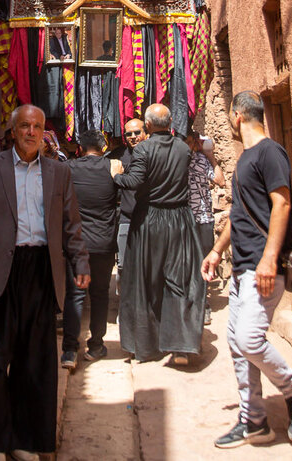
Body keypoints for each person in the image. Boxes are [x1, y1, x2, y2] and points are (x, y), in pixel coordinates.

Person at [0, 104, 90, 456]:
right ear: (13, 131)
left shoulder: (59, 172)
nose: (31, 132)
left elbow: (71, 223)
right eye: (24, 126)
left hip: (40, 270)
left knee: (34, 360)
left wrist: (80, 261)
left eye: (37, 127)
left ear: (44, 133)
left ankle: (25, 440)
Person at [201, 92, 292, 449]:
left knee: (249, 339)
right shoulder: (246, 158)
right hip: (242, 267)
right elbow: (240, 213)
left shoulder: (270, 152)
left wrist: (268, 259)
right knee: (237, 344)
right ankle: (254, 420)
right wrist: (217, 251)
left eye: (230, 117)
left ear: (236, 116)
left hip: (263, 267)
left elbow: (282, 204)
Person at [113, 104, 205, 363]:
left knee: (146, 281)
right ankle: (180, 346)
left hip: (150, 220)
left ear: (148, 126)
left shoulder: (143, 149)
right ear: (171, 121)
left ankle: (145, 344)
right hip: (180, 219)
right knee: (178, 279)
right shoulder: (183, 148)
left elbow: (133, 182)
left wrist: (117, 176)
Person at [60, 129, 122, 370]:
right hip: (104, 243)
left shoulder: (70, 169)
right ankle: (96, 345)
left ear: (80, 149)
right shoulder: (112, 168)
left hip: (77, 243)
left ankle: (69, 351)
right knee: (99, 294)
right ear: (103, 148)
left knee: (75, 294)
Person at [186, 132, 222, 322]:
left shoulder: (202, 160)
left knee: (204, 260)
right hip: (184, 219)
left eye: (191, 142)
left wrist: (211, 157)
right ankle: (189, 303)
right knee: (186, 261)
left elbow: (220, 181)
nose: (188, 146)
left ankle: (203, 304)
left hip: (204, 217)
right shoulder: (177, 162)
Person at [111, 118, 146, 275]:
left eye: (137, 132)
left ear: (145, 133)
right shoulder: (117, 156)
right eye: (128, 134)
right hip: (126, 217)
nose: (133, 137)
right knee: (123, 265)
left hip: (149, 219)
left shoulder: (154, 154)